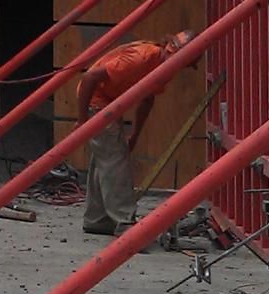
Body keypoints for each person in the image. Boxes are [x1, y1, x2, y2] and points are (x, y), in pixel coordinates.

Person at [76, 29, 194, 237]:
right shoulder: (140, 58)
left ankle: (97, 219)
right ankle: (124, 221)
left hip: (110, 100)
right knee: (115, 160)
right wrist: (82, 120)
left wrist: (136, 135)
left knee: (105, 159)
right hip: (97, 99)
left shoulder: (163, 67)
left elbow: (147, 99)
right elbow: (90, 78)